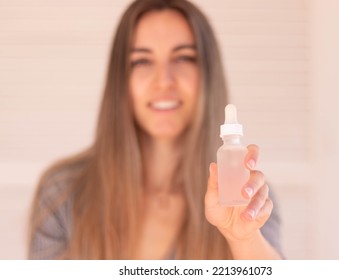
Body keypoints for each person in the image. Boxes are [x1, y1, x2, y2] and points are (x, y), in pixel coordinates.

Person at [28, 0, 283, 260]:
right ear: (121, 79)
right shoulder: (62, 193)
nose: (164, 81)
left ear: (207, 74)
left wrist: (243, 238)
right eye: (142, 61)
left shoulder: (247, 197)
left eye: (183, 57)